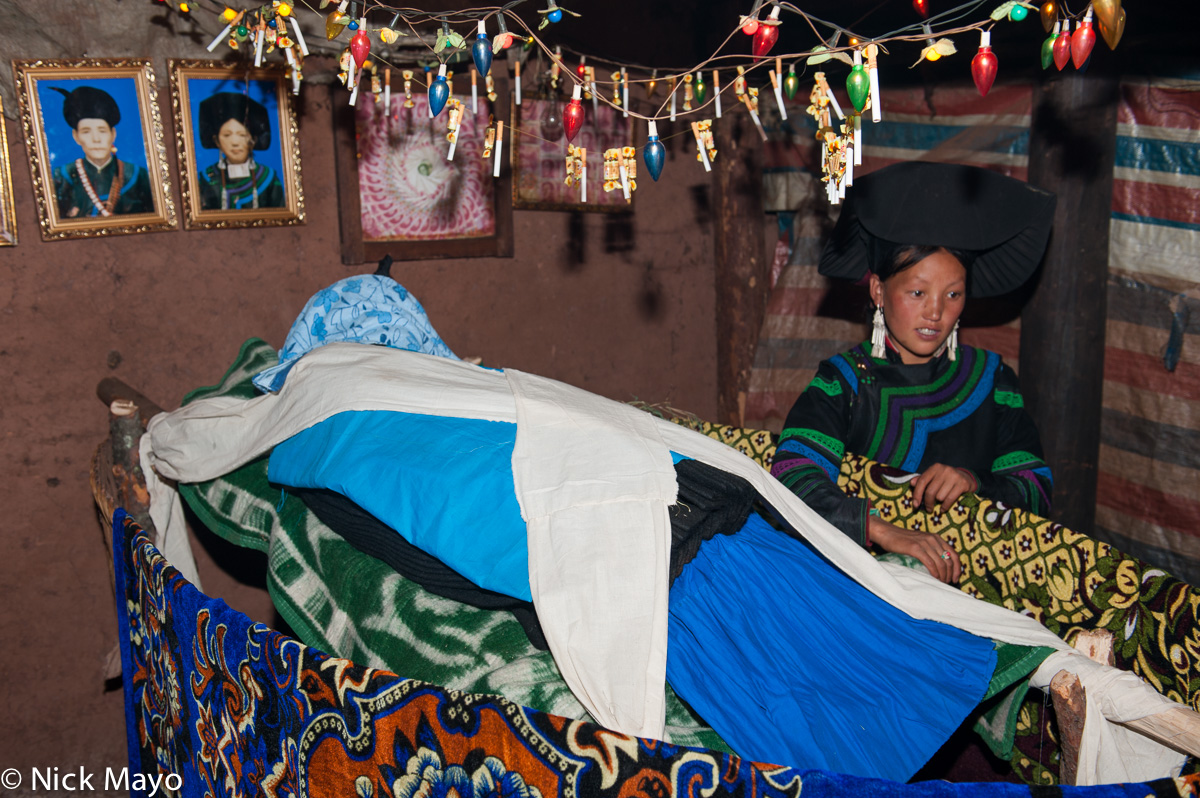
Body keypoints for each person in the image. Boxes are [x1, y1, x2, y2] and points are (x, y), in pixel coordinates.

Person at [772, 161, 1057, 584]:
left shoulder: (992, 381)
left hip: (974, 589)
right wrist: (883, 531)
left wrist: (972, 481)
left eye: (953, 294)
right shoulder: (844, 382)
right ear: (879, 291)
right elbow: (792, 474)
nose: (936, 312)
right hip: (861, 581)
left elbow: (1036, 486)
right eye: (918, 292)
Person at [50, 85, 153, 218]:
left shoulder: (138, 175)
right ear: (76, 136)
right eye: (86, 132)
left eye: (102, 131)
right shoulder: (62, 177)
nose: (96, 139)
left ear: (113, 134)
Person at [196, 92, 285, 211]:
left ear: (253, 139)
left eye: (242, 135)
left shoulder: (268, 178)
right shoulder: (207, 178)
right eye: (227, 135)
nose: (235, 142)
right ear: (217, 141)